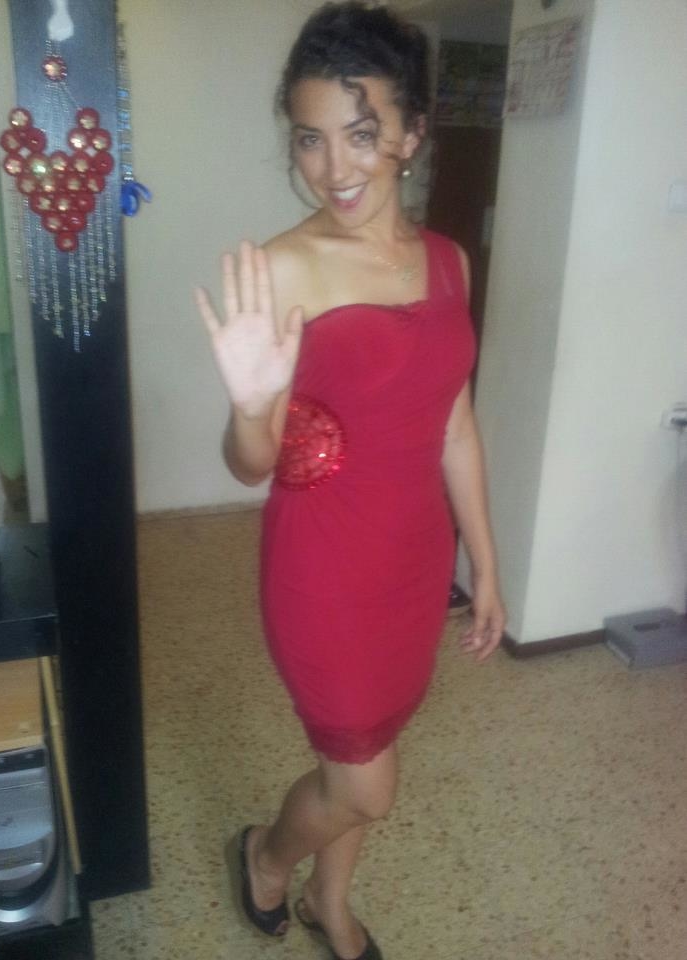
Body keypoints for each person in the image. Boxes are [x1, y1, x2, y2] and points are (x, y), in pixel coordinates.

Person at [194, 4, 505, 958]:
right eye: (310, 139)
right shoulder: (284, 269)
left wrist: (486, 568)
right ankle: (266, 856)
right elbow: (250, 464)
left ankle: (331, 906)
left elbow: (453, 425)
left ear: (411, 133)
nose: (333, 167)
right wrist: (251, 407)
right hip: (323, 573)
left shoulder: (448, 263)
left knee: (366, 748)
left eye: (361, 134)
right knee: (365, 784)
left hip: (414, 567)